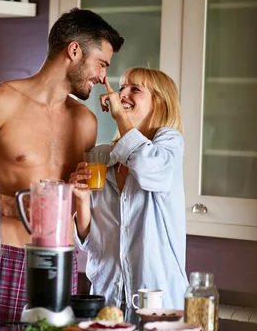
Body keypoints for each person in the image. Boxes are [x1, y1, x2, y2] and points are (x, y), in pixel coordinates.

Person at [0, 8, 124, 331]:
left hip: (62, 261)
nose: (103, 77)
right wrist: (10, 206)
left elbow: (81, 212)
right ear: (74, 51)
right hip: (7, 258)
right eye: (102, 64)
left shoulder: (86, 122)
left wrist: (81, 199)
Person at [69, 67, 188, 310]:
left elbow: (145, 166)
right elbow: (90, 242)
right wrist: (81, 199)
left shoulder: (169, 144)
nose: (122, 94)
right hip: (106, 299)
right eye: (122, 87)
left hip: (159, 302)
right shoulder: (101, 156)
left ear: (161, 104)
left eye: (135, 89)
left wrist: (119, 116)